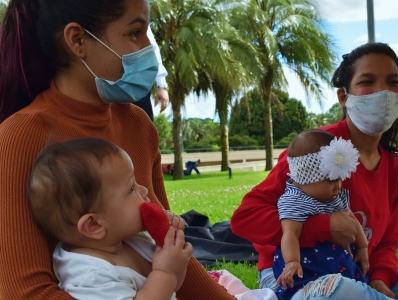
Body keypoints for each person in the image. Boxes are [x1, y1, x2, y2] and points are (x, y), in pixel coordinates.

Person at [0, 0, 234, 298]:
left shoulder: (138, 124)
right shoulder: (19, 136)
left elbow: (166, 248)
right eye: (135, 32)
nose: (149, 48)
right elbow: (26, 292)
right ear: (78, 40)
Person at [231, 42, 398, 300]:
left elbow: (387, 241)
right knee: (336, 291)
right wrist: (323, 227)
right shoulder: (316, 149)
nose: (383, 92)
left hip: (356, 277)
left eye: (393, 82)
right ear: (343, 96)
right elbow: (245, 217)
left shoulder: (392, 165)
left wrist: (379, 279)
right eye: (367, 81)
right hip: (296, 276)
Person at [28, 138, 192, 300]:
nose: (144, 190)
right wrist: (165, 272)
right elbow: (167, 278)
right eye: (131, 188)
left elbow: (172, 287)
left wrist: (171, 250)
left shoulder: (133, 239)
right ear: (94, 225)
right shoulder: (90, 275)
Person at [273, 130, 369, 299]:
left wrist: (362, 247)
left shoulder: (334, 196)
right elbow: (290, 233)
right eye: (331, 180)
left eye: (340, 179)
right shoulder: (295, 200)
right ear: (304, 175)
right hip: (308, 267)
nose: (338, 186)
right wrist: (292, 262)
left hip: (339, 261)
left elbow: (351, 218)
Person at [133, 29, 170, 121]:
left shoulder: (136, 16)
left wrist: (161, 84)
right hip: (104, 86)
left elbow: (151, 49)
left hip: (137, 84)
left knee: (144, 130)